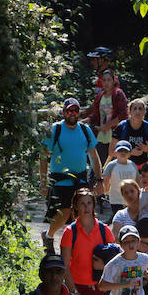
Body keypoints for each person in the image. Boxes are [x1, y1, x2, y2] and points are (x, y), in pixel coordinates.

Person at [40, 97, 104, 254]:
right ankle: (49, 236)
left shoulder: (85, 130)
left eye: (75, 110)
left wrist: (100, 180)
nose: (72, 113)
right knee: (65, 212)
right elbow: (43, 157)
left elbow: (94, 157)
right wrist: (43, 182)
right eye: (69, 110)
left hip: (81, 179)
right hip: (60, 179)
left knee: (83, 212)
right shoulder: (56, 130)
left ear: (79, 112)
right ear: (63, 112)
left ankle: (77, 245)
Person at [83, 69, 128, 166]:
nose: (106, 83)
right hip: (101, 137)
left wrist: (106, 126)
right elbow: (95, 115)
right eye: (104, 80)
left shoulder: (118, 94)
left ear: (113, 81)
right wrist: (84, 121)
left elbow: (123, 115)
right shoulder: (100, 96)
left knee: (113, 166)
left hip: (115, 137)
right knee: (98, 165)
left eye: (109, 80)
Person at [107, 99, 148, 168]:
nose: (137, 111)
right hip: (123, 167)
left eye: (140, 109)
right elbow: (111, 152)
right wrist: (130, 152)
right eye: (134, 109)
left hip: (143, 169)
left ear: (144, 112)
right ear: (129, 112)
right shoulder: (122, 127)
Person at [103, 140, 139, 214]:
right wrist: (105, 191)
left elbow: (137, 181)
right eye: (120, 151)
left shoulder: (132, 165)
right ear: (115, 153)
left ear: (130, 154)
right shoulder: (111, 165)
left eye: (126, 151)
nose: (123, 153)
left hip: (131, 199)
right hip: (116, 200)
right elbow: (105, 180)